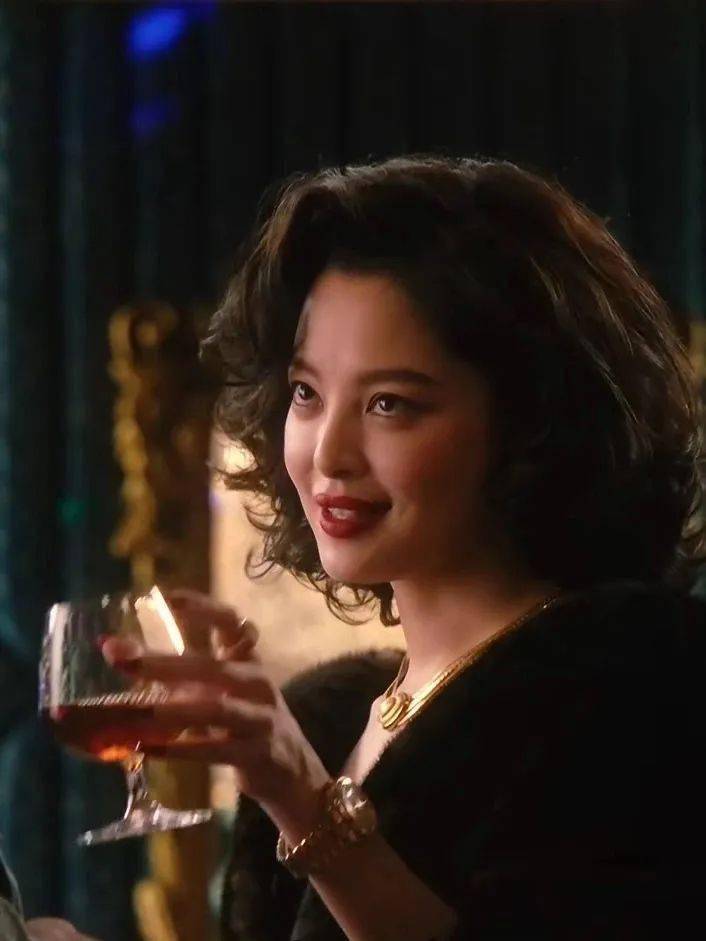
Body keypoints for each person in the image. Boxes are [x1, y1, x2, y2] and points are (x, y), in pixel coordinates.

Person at [106, 154, 706, 939]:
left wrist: (305, 801)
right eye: (306, 393)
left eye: (389, 403)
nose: (327, 454)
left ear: (530, 425)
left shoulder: (641, 685)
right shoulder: (327, 715)